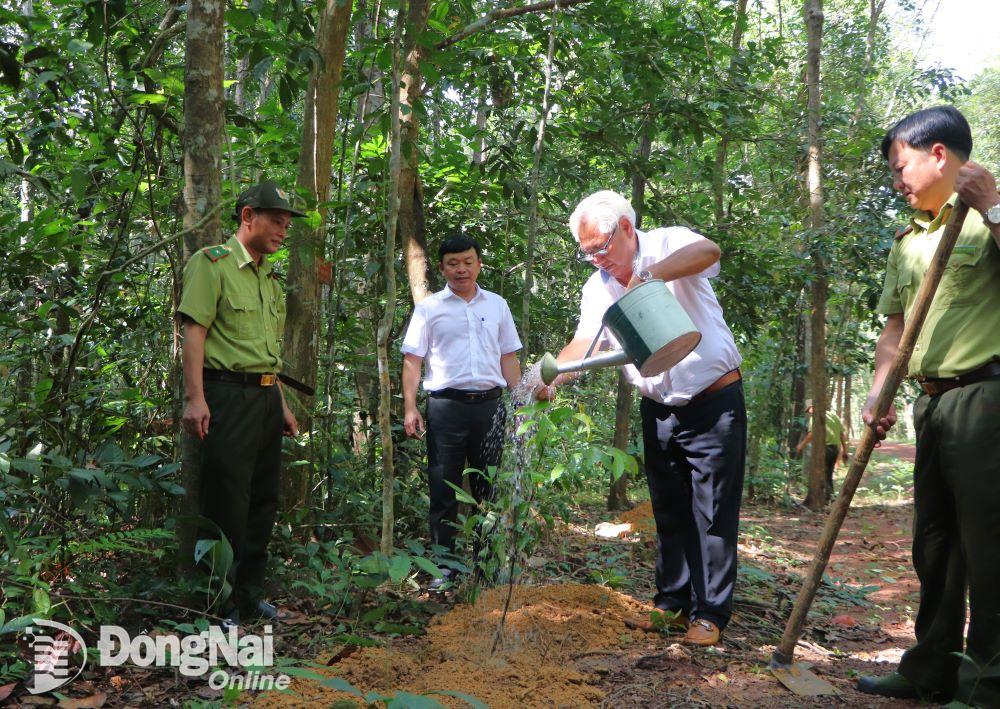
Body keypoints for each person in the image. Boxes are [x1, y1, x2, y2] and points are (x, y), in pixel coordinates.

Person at [538, 190, 745, 647]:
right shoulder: (598, 287)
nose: (595, 261)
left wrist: (647, 278)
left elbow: (709, 251)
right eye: (586, 253)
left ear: (626, 229)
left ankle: (710, 614)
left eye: (600, 249)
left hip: (713, 401)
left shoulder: (668, 242)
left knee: (711, 510)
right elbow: (583, 345)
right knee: (669, 510)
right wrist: (549, 376)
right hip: (659, 408)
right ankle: (672, 605)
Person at [856, 106, 1000, 707]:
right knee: (935, 543)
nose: (897, 179)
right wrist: (877, 391)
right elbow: (895, 330)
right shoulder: (910, 237)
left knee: (990, 545)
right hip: (931, 405)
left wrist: (991, 205)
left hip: (987, 398)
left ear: (938, 154)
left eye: (901, 164)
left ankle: (987, 683)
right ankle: (929, 668)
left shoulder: (988, 213)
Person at [178, 180, 304, 625]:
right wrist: (196, 399)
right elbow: (194, 331)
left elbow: (267, 354)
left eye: (287, 224)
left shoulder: (269, 277)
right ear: (248, 216)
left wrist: (283, 405)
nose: (282, 231)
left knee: (262, 501)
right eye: (275, 221)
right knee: (226, 501)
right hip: (226, 395)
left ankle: (250, 596)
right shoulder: (211, 264)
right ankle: (218, 604)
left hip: (267, 397)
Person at [401, 235, 523, 588]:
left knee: (488, 490)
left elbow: (508, 358)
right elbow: (413, 360)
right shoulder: (430, 309)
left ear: (479, 264)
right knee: (444, 490)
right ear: (441, 269)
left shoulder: (497, 305)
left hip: (489, 408)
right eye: (453, 263)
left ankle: (486, 570)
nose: (461, 269)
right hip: (445, 408)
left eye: (468, 261)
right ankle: (445, 570)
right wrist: (411, 407)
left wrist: (519, 405)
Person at [794, 403, 848, 496]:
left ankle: (827, 498)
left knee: (822, 475)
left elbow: (811, 434)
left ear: (812, 407)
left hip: (825, 449)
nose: (809, 413)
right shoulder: (834, 416)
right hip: (835, 449)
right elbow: (841, 434)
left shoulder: (815, 418)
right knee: (828, 475)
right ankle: (830, 497)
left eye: (809, 410)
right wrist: (844, 451)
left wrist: (801, 445)